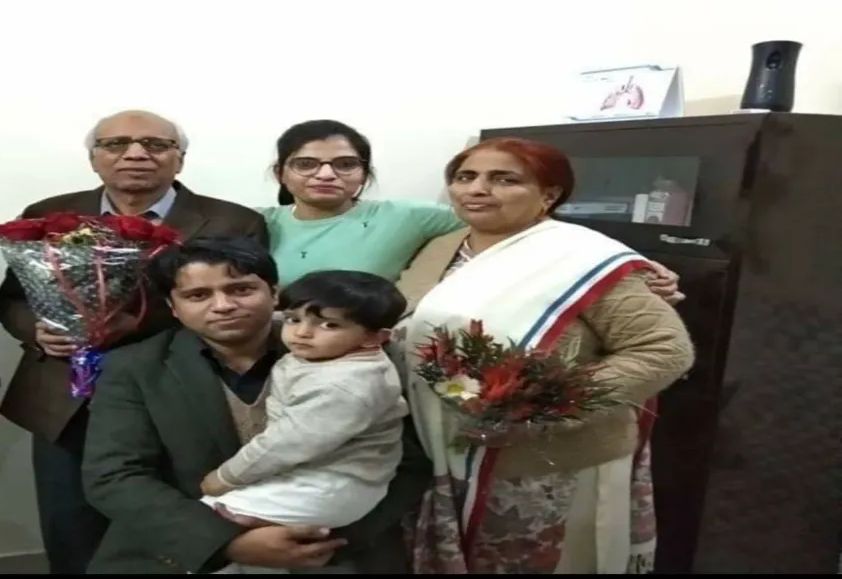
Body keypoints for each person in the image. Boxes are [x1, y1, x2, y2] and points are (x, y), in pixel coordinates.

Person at [390, 137, 696, 573]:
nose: (477, 189)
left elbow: (664, 350)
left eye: (504, 179)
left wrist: (542, 406)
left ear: (548, 195)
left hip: (542, 463)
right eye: (465, 177)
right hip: (435, 450)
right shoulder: (440, 247)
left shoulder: (582, 257)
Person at [0, 110, 269, 574]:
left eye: (155, 145)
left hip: (174, 392)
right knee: (70, 524)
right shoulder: (48, 213)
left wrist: (134, 324)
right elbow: (12, 300)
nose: (136, 154)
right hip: (64, 399)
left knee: (169, 524)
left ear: (179, 160)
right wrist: (36, 330)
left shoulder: (232, 221)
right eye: (116, 144)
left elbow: (241, 305)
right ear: (94, 159)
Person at [82, 236, 428, 574]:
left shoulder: (354, 352)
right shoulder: (136, 367)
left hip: (329, 544)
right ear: (173, 306)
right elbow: (115, 476)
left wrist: (325, 535)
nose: (223, 305)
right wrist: (226, 543)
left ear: (274, 293)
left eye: (241, 289)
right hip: (189, 546)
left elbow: (408, 463)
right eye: (198, 295)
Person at [260, 119, 688, 302]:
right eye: (306, 164)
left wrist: (628, 265)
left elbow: (523, 223)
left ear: (364, 173)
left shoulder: (407, 216)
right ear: (282, 172)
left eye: (346, 163)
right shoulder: (256, 223)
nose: (327, 174)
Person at [197, 270, 411, 574]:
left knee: (208, 522)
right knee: (254, 553)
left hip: (331, 484)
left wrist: (226, 476)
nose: (302, 333)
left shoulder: (346, 386)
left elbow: (287, 443)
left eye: (329, 325)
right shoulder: (330, 356)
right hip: (322, 477)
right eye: (294, 319)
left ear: (375, 337)